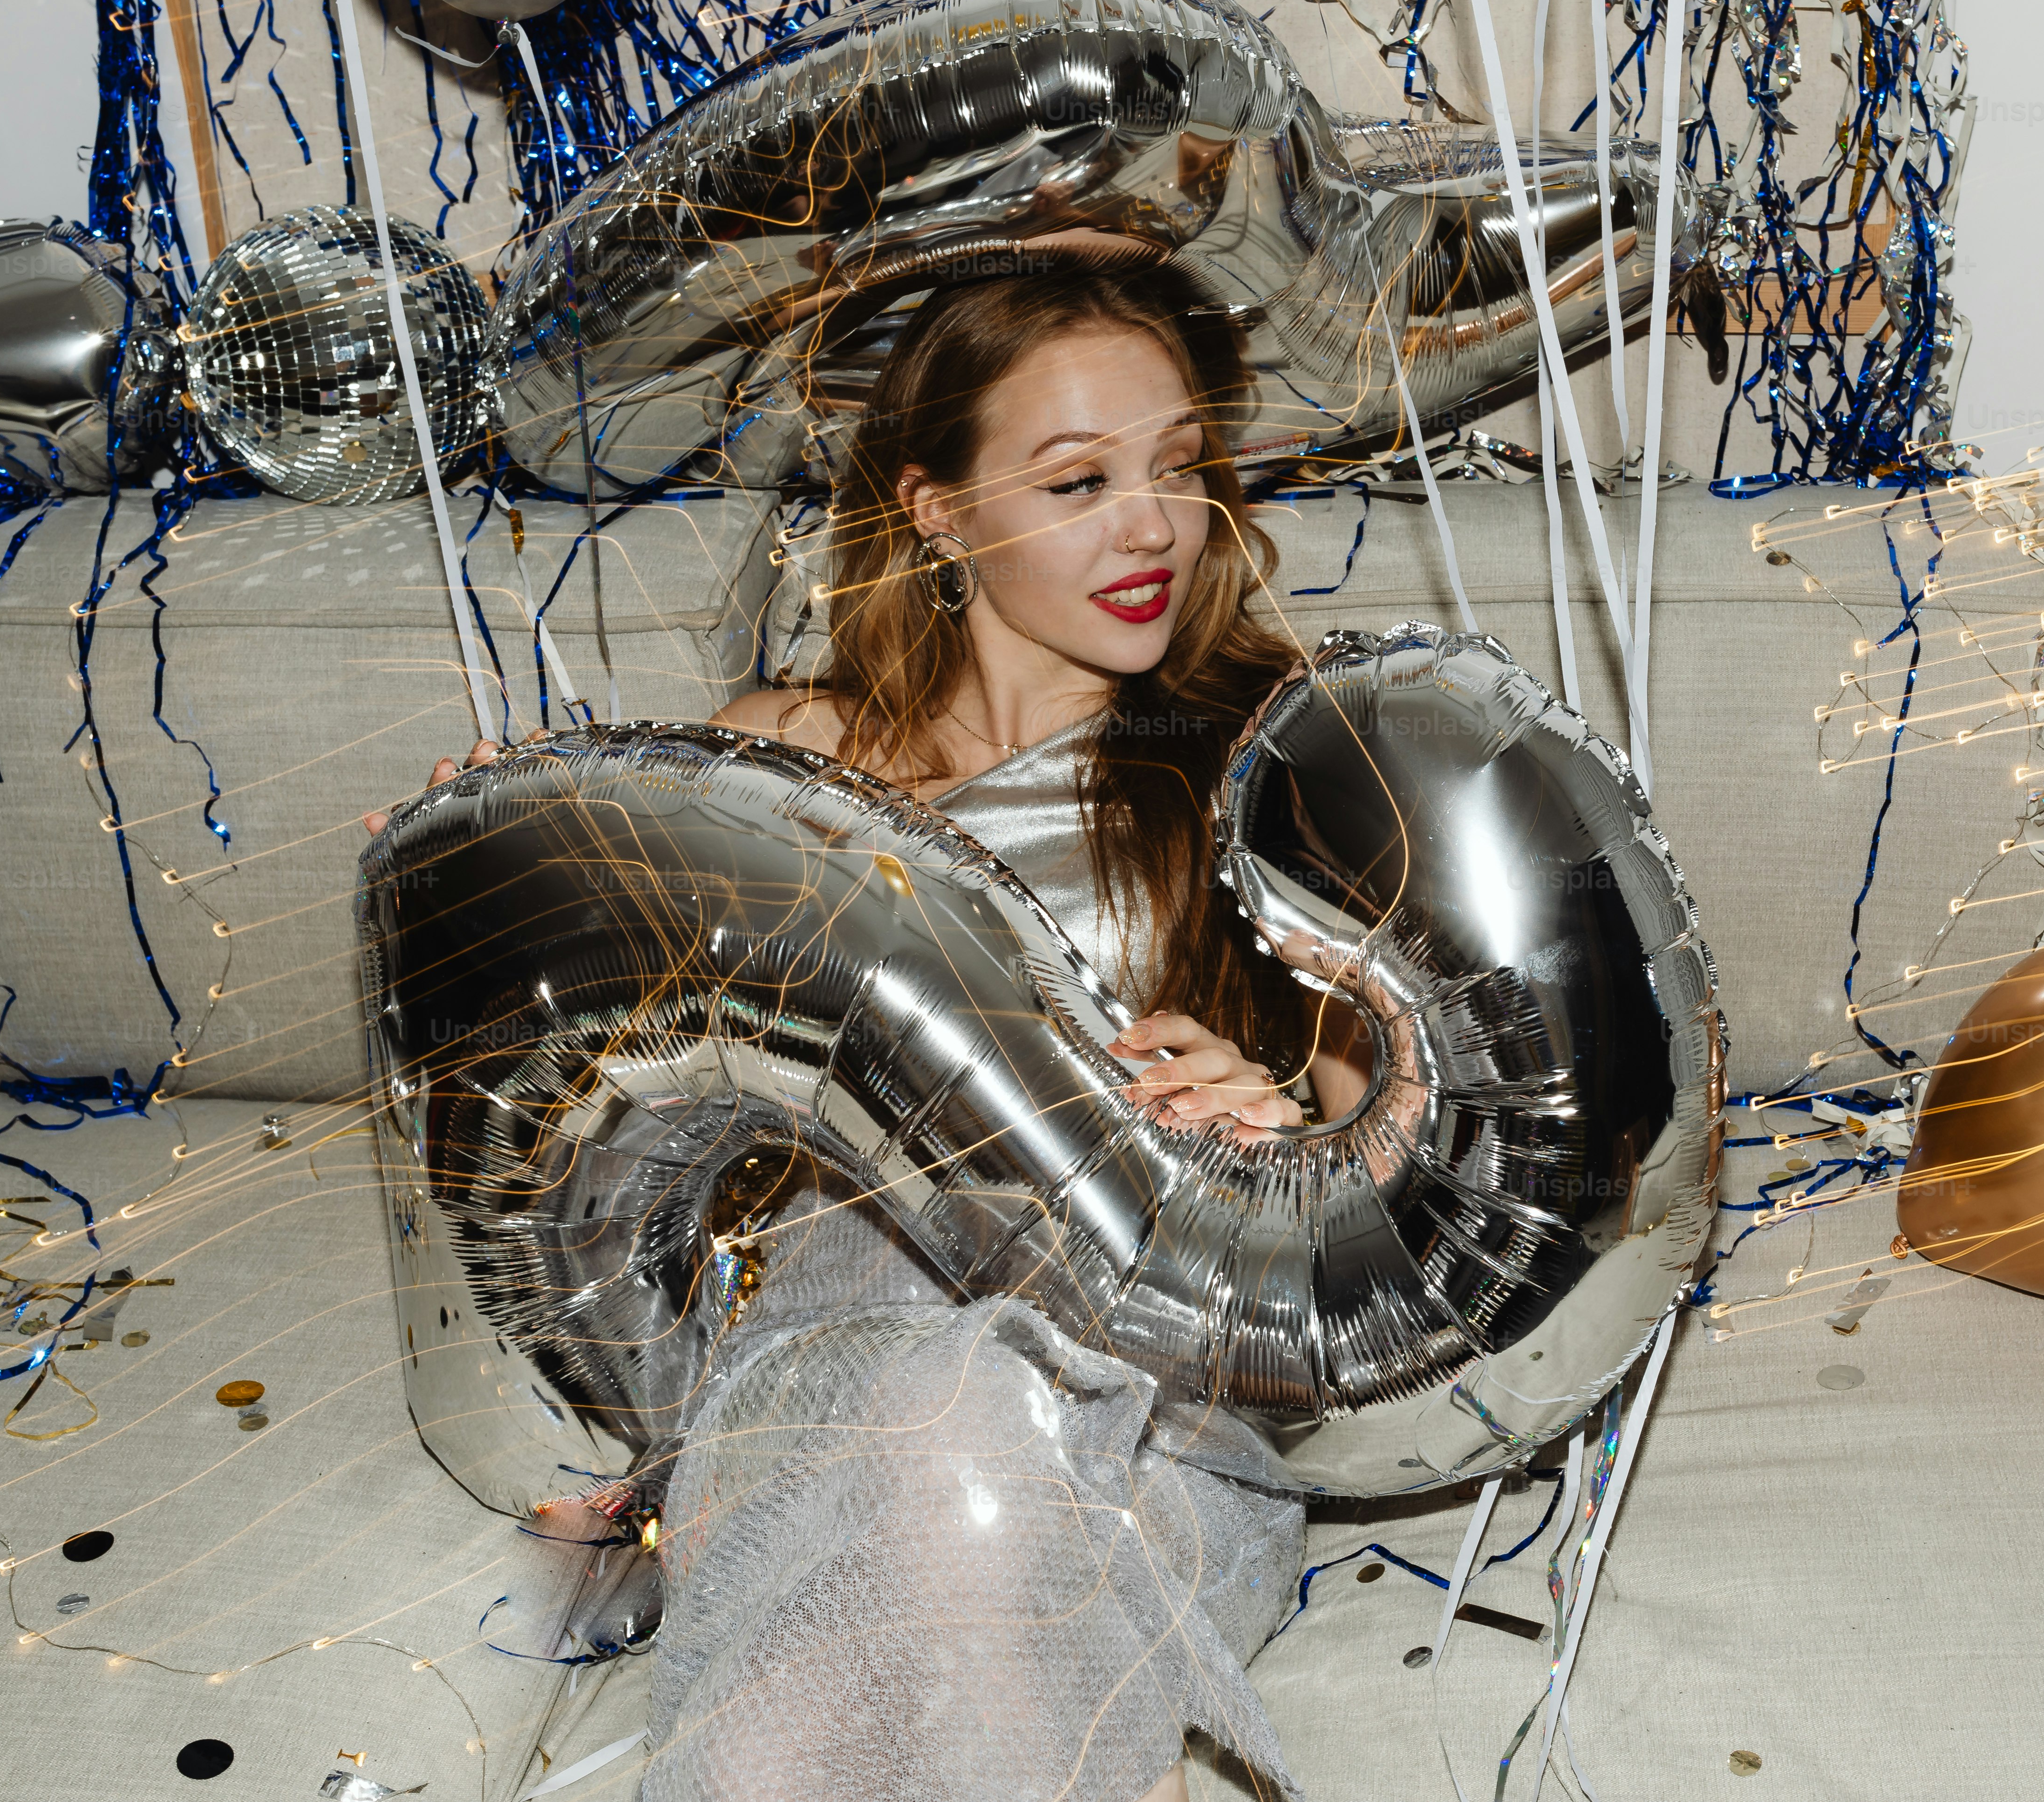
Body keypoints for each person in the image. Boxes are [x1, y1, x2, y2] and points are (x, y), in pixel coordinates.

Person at [373, 260, 1363, 1801]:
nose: (1155, 523)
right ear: (940, 511)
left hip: (1143, 1415)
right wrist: (487, 875)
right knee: (890, 1515)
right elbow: (607, 1094)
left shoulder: (1267, 757)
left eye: (1178, 469)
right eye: (1080, 479)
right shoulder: (779, 764)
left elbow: (1396, 1177)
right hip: (823, 1365)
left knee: (942, 1477)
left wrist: (1280, 1132)